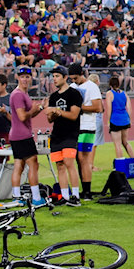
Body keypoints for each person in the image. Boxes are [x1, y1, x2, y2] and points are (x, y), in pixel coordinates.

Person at [43, 66, 83, 205]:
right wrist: (49, 112)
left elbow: (73, 115)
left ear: (65, 77)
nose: (54, 79)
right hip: (57, 135)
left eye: (57, 76)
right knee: (60, 165)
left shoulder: (74, 94)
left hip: (70, 134)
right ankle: (64, 197)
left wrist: (57, 110)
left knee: (69, 163)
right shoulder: (53, 96)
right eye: (53, 76)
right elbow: (50, 120)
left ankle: (76, 196)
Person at [8, 67, 45, 205]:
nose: (25, 79)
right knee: (33, 164)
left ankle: (17, 197)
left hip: (18, 134)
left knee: (19, 165)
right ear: (18, 77)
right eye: (22, 76)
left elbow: (28, 115)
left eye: (27, 77)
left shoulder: (23, 93)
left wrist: (39, 108)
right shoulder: (18, 94)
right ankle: (36, 198)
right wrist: (34, 110)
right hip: (22, 134)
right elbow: (23, 116)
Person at [68, 63, 102, 198]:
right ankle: (81, 189)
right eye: (71, 79)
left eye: (75, 78)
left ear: (82, 74)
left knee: (84, 159)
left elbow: (98, 107)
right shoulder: (72, 87)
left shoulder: (92, 87)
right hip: (74, 127)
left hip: (87, 127)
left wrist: (79, 108)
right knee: (76, 159)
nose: (74, 81)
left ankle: (87, 191)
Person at [106, 75, 134, 164]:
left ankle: (120, 164)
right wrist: (129, 119)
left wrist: (108, 120)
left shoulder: (109, 93)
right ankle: (133, 160)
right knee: (125, 142)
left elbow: (109, 109)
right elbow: (129, 108)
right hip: (125, 119)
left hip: (115, 120)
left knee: (117, 144)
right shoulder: (124, 93)